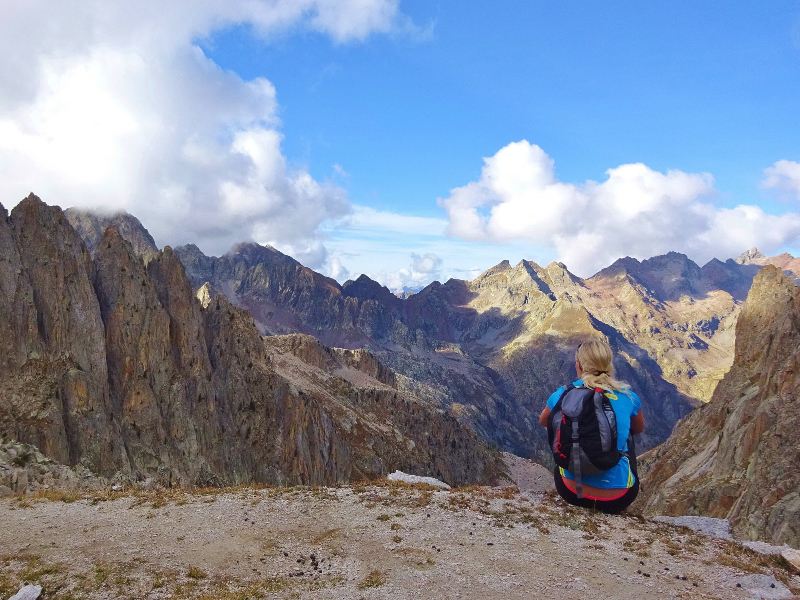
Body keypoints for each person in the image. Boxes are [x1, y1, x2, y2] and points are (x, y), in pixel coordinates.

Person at [538, 340, 644, 513]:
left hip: (572, 492)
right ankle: (615, 479)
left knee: (564, 432)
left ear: (578, 364)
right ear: (609, 365)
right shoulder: (629, 397)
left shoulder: (562, 394)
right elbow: (638, 429)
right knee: (627, 436)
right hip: (619, 498)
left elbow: (544, 421)